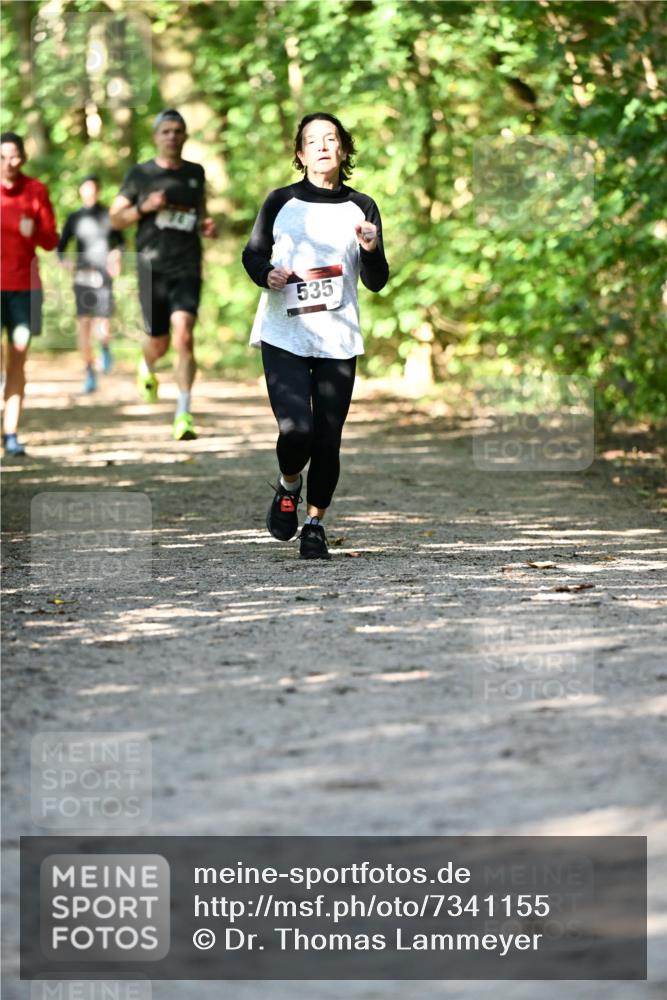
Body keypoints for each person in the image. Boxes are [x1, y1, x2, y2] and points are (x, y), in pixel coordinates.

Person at [242, 112, 389, 560]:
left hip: (338, 337)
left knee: (328, 438)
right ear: (300, 154)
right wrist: (268, 274)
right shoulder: (280, 201)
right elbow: (252, 256)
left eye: (331, 139)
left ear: (343, 150)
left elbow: (377, 281)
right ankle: (288, 484)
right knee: (296, 429)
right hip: (284, 332)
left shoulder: (361, 206)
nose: (323, 146)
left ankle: (314, 523)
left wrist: (371, 248)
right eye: (313, 140)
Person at [109, 109, 217, 440]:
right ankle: (148, 364)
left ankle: (183, 414)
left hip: (187, 265)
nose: (172, 136)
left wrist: (205, 225)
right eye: (166, 131)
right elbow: (115, 219)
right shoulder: (140, 175)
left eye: (178, 131)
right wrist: (144, 207)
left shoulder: (196, 173)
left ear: (185, 136)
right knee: (159, 340)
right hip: (151, 267)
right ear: (156, 136)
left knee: (184, 334)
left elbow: (199, 214)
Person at [0, 131, 58, 456]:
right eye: (3, 156)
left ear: (23, 157)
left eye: (15, 156)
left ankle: (11, 434)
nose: (10, 162)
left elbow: (51, 240)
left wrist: (33, 231)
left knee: (17, 361)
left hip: (25, 290)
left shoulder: (36, 191)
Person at [57, 175, 124, 393]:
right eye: (86, 189)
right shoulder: (74, 217)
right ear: (81, 191)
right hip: (82, 274)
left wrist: (116, 256)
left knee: (102, 323)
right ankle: (89, 370)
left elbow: (121, 242)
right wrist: (64, 261)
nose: (90, 193)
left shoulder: (108, 215)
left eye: (94, 189)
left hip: (103, 274)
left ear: (99, 191)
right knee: (84, 325)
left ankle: (104, 347)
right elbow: (61, 247)